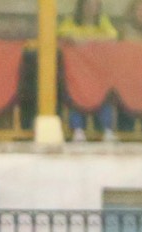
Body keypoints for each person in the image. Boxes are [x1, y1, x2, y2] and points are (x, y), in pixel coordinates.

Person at [58, 0, 118, 141]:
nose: (92, 8)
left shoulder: (102, 21)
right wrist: (74, 38)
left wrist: (89, 39)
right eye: (89, 4)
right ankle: (78, 130)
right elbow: (62, 33)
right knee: (74, 95)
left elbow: (112, 36)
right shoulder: (71, 21)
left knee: (104, 94)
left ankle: (107, 130)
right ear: (81, 6)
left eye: (95, 4)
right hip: (77, 73)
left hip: (97, 73)